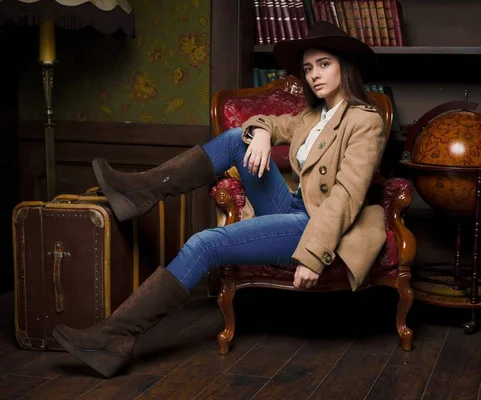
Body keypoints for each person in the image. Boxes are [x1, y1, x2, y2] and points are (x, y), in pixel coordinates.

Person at [52, 21, 388, 378]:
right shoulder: (312, 116)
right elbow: (271, 122)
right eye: (307, 68)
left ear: (344, 66)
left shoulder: (365, 122)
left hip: (314, 225)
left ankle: (116, 337)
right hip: (291, 207)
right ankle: (141, 192)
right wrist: (259, 133)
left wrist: (313, 254)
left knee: (204, 244)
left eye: (323, 64)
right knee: (235, 139)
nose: (314, 75)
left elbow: (346, 196)